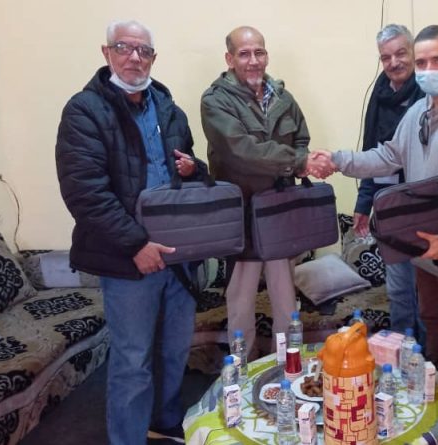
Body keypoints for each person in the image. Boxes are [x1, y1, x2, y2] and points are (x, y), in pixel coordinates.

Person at [313, 25, 438, 431]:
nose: (428, 69)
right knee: (434, 323)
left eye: (437, 60)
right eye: (422, 62)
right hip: (423, 249)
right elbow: (388, 156)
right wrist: (339, 160)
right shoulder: (418, 113)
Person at [56, 20, 205, 445]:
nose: (134, 58)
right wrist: (136, 244)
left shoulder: (168, 107)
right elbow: (85, 193)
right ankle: (127, 438)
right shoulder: (85, 111)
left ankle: (165, 422)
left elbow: (189, 169)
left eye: (144, 51)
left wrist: (193, 169)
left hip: (177, 254)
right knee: (133, 360)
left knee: (174, 351)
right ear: (107, 53)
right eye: (124, 48)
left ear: (153, 58)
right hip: (128, 258)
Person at [201, 26, 329, 360]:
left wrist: (302, 160)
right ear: (229, 58)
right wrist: (297, 162)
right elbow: (241, 151)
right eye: (244, 54)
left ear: (266, 55)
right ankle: (241, 372)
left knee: (286, 302)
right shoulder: (215, 101)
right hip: (242, 216)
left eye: (259, 52)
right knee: (240, 303)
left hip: (280, 213)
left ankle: (287, 366)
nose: (253, 60)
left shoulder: (284, 97)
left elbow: (301, 139)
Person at [355, 24, 425, 342]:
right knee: (398, 290)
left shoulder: (428, 93)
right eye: (386, 57)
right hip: (390, 208)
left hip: (424, 207)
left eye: (400, 53)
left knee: (426, 293)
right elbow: (372, 154)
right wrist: (363, 204)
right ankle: (400, 353)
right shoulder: (379, 95)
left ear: (413, 52)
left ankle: (429, 359)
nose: (394, 62)